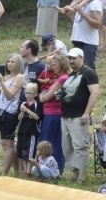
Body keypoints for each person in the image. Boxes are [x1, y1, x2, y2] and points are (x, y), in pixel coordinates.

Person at [59, 47, 99, 180]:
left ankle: (81, 176)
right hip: (66, 115)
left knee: (80, 146)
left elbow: (94, 93)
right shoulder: (72, 75)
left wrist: (86, 113)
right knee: (67, 147)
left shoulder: (89, 73)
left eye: (74, 58)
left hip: (78, 115)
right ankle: (74, 173)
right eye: (69, 58)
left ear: (81, 58)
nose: (71, 61)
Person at [36, 54, 69, 172]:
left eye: (54, 65)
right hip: (50, 113)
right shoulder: (61, 78)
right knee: (49, 140)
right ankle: (46, 168)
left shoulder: (62, 78)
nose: (52, 67)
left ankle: (55, 169)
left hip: (54, 114)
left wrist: (40, 94)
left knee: (50, 142)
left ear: (61, 64)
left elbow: (45, 98)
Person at [0, 53, 25, 176]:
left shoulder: (19, 77)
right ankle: (17, 172)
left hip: (10, 113)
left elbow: (11, 95)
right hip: (1, 112)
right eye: (8, 61)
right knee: (10, 144)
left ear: (18, 64)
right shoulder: (8, 77)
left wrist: (1, 83)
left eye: (12, 62)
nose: (9, 64)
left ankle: (4, 174)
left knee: (7, 144)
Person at [58, 0, 102, 70]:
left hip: (88, 43)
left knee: (88, 70)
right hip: (78, 41)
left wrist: (81, 12)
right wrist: (70, 15)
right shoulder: (82, 4)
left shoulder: (95, 3)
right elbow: (79, 22)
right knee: (78, 70)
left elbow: (97, 24)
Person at [16, 82, 43, 172]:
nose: (28, 95)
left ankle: (28, 171)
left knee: (29, 152)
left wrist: (27, 110)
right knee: (22, 151)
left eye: (30, 93)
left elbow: (37, 117)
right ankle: (24, 170)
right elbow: (19, 118)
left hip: (31, 131)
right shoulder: (22, 103)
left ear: (36, 94)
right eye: (26, 93)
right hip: (22, 130)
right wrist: (22, 112)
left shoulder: (37, 104)